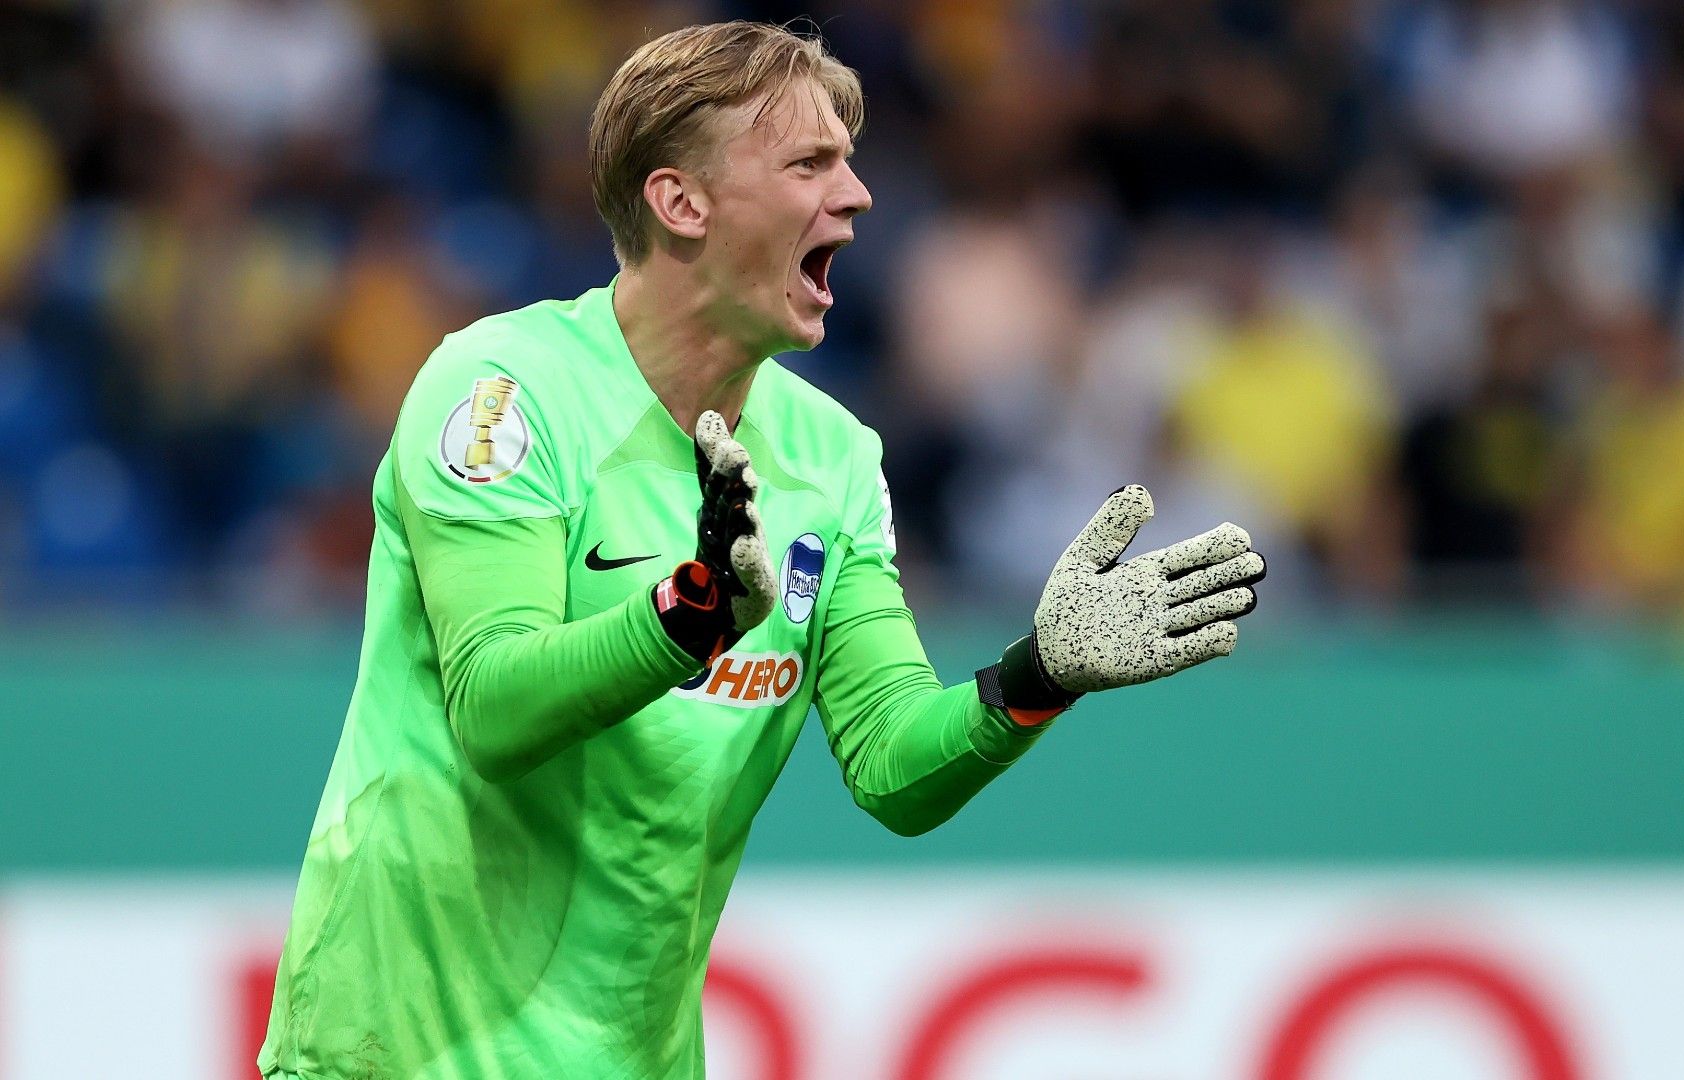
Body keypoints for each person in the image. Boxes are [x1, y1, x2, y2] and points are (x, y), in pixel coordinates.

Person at [258, 21, 1265, 1079]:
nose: (858, 194)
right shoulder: (503, 391)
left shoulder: (832, 458)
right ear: (682, 203)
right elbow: (495, 709)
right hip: (397, 1052)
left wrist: (1038, 676)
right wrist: (687, 619)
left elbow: (892, 764)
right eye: (810, 163)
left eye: (850, 159)